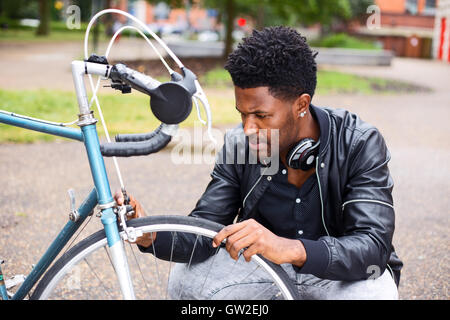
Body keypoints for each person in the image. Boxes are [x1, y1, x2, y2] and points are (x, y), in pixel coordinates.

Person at [115, 26, 403, 300]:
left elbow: (372, 246)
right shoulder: (241, 144)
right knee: (185, 282)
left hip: (336, 274)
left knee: (376, 294)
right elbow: (206, 229)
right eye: (242, 114)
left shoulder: (359, 143)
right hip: (263, 266)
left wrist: (290, 248)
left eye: (261, 116)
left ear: (301, 104)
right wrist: (151, 235)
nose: (248, 128)